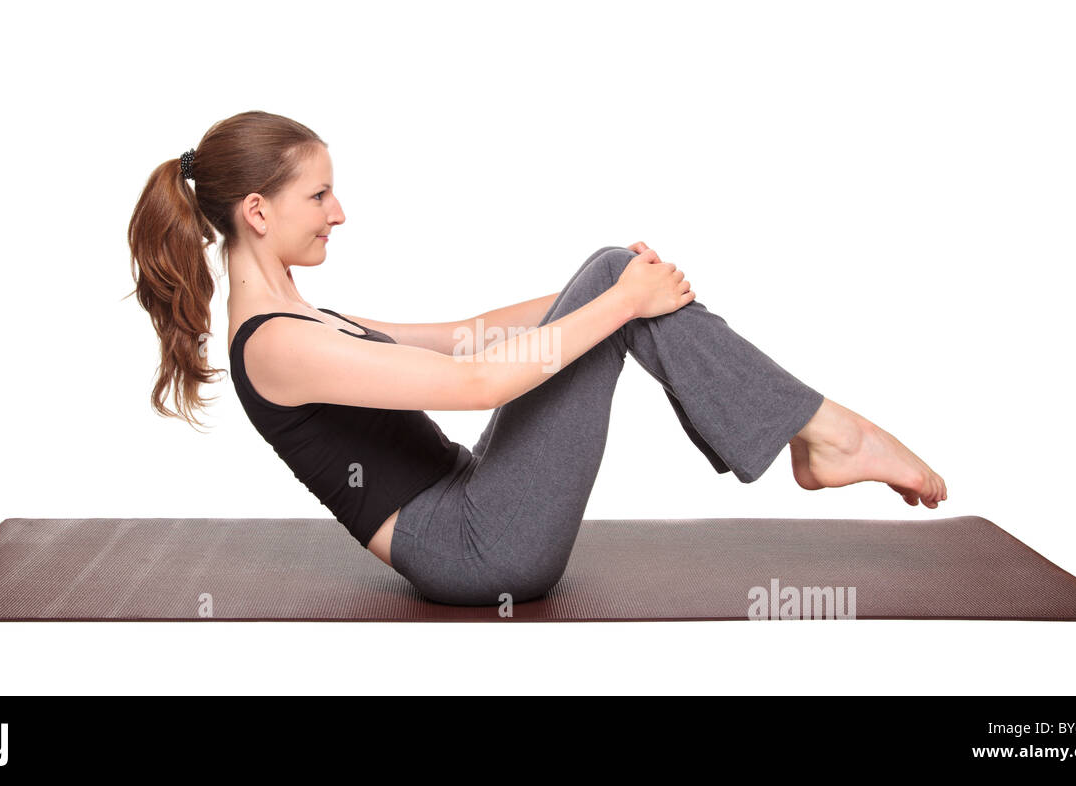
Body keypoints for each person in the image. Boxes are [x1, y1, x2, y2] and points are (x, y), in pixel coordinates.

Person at [128, 110, 947, 606]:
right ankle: (829, 434)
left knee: (607, 270)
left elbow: (468, 334)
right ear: (259, 211)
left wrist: (614, 291)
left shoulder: (300, 318)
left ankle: (818, 433)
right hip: (476, 553)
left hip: (474, 508)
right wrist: (622, 304)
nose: (340, 213)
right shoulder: (276, 345)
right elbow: (475, 382)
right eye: (319, 196)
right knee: (614, 288)